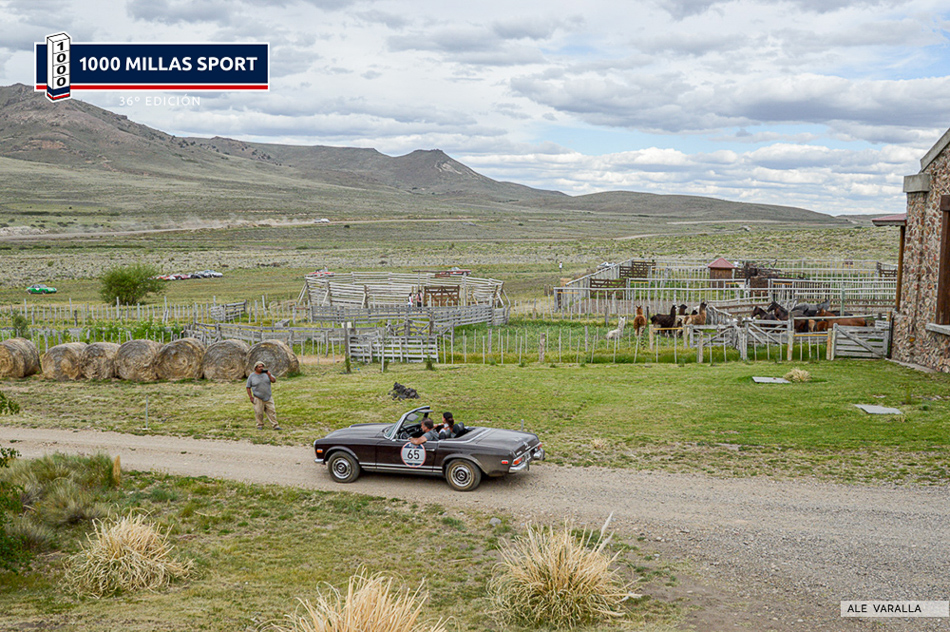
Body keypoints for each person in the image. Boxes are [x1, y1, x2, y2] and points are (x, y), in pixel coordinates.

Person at [246, 361, 280, 430]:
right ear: (255, 368)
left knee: (272, 411)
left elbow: (273, 381)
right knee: (259, 412)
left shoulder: (266, 374)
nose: (261, 368)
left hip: (268, 397)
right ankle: (260, 425)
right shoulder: (252, 376)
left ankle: (275, 425)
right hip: (258, 397)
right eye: (259, 367)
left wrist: (269, 375)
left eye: (262, 367)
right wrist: (251, 397)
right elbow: (248, 387)